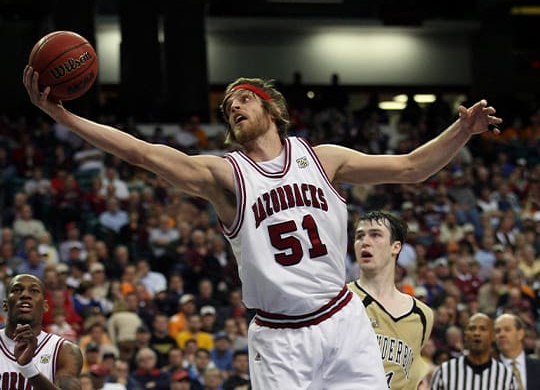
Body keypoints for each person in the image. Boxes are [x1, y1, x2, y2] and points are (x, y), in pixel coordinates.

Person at [23, 69, 501, 389]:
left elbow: (412, 167)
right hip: (280, 337)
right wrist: (63, 116)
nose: (234, 107)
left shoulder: (323, 158)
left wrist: (462, 131)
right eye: (228, 105)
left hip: (343, 320)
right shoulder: (226, 176)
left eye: (244, 99)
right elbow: (142, 154)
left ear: (270, 107)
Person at [347, 210, 434, 390]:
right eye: (359, 236)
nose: (365, 242)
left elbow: (413, 374)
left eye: (375, 235)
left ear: (395, 247)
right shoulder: (341, 300)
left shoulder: (423, 315)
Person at [0, 273, 82, 388]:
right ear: (5, 305)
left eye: (34, 291)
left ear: (45, 306)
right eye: (17, 290)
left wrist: (28, 368)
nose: (25, 295)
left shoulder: (63, 350)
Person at [429, 313, 518, 390]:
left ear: (493, 336)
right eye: (472, 329)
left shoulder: (507, 376)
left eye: (483, 329)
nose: (476, 333)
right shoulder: (444, 372)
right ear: (465, 336)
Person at [495, 313, 540, 390]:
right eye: (498, 331)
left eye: (507, 329)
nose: (501, 334)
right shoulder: (489, 370)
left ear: (520, 334)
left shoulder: (538, 366)